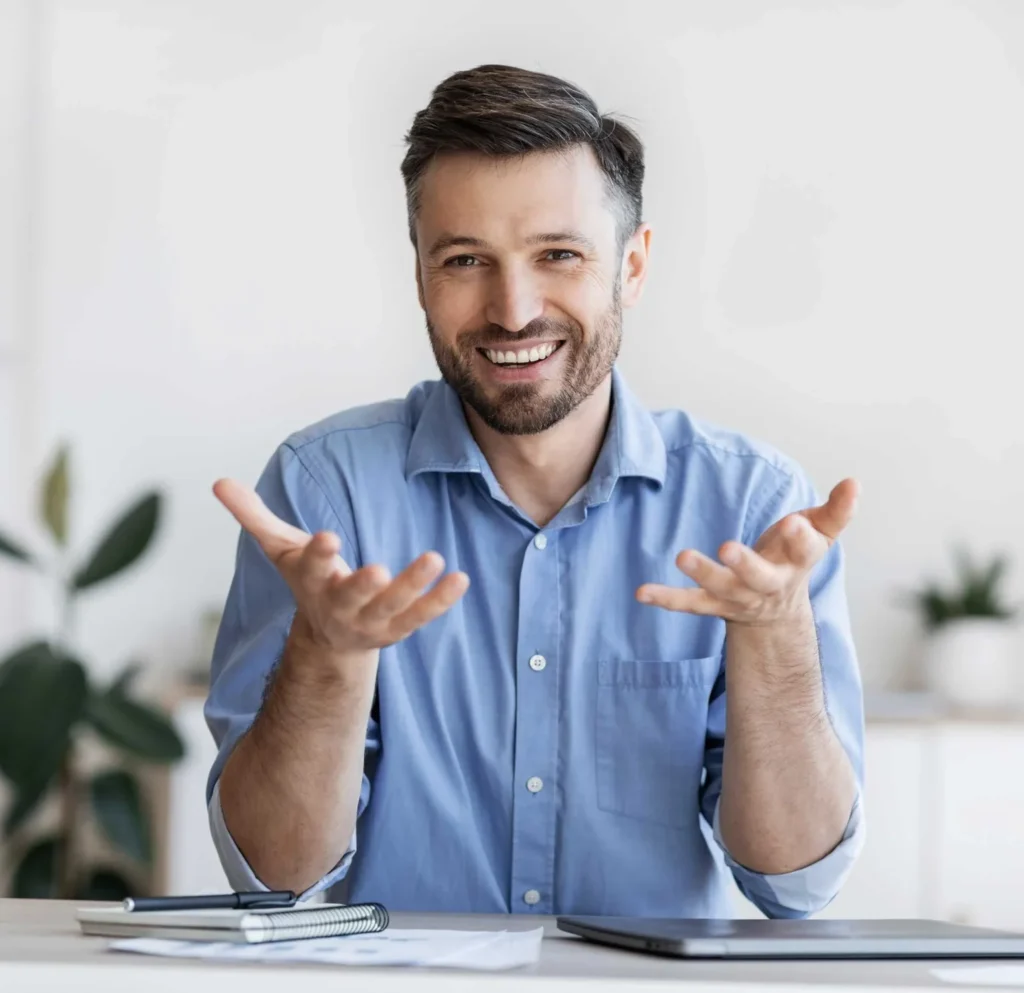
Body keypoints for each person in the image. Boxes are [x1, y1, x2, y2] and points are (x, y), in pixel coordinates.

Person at [205, 64, 864, 919]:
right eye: (465, 259)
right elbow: (272, 878)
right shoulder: (325, 495)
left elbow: (798, 882)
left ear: (631, 266)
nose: (513, 310)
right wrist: (327, 659)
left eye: (558, 254)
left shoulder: (753, 508)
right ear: (419, 277)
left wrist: (775, 640)